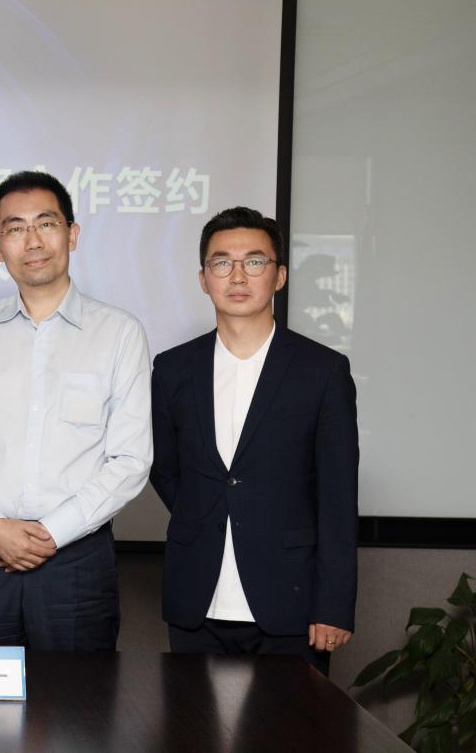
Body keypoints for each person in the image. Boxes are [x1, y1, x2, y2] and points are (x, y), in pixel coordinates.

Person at [0, 170, 151, 650]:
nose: (32, 240)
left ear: (72, 233)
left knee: (78, 697)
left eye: (46, 223)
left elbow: (131, 460)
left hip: (76, 560)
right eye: (15, 228)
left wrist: (51, 532)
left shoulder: (119, 333)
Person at [150, 206, 358, 673]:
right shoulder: (172, 368)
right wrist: (206, 510)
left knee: (294, 721)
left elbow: (338, 496)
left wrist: (334, 604)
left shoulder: (322, 371)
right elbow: (164, 467)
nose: (238, 276)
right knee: (191, 719)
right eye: (222, 262)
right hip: (195, 599)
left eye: (255, 261)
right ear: (204, 279)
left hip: (292, 603)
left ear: (279, 276)